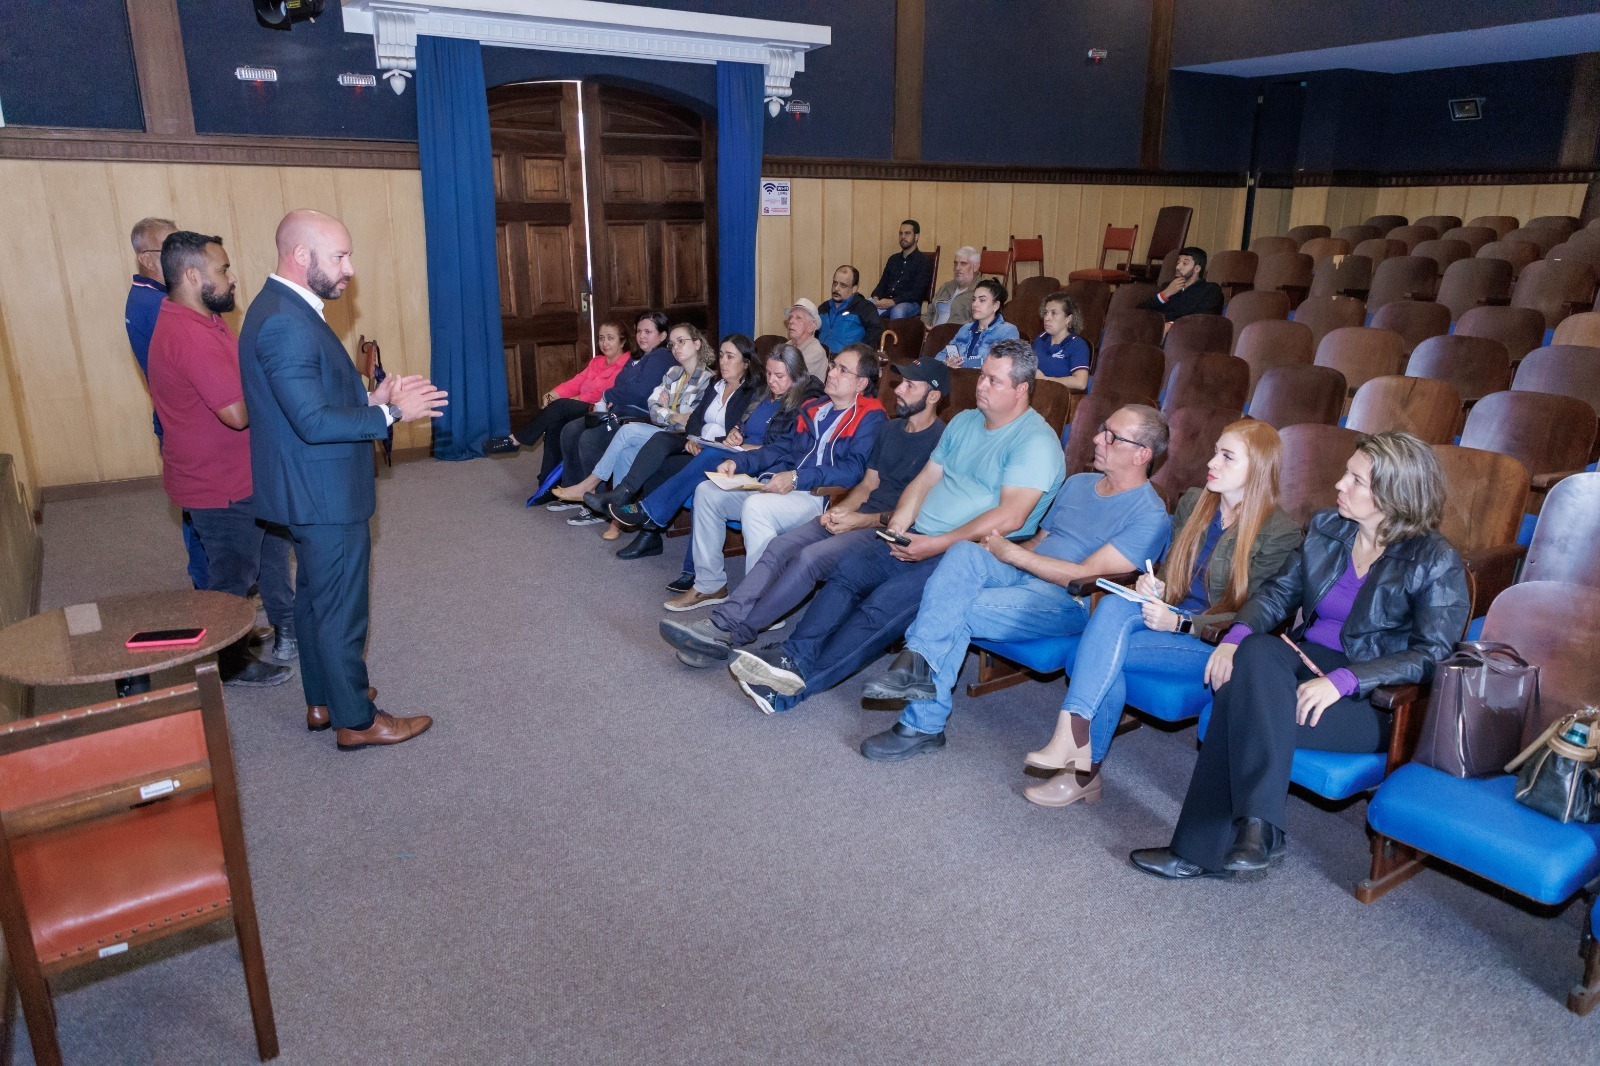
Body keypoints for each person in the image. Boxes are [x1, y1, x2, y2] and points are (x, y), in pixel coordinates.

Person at [1130, 431, 1469, 880]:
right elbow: (1276, 595)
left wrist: (1342, 681)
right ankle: (1259, 826)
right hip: (1300, 665)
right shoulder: (1329, 529)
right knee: (1255, 647)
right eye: (1346, 474)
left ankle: (1206, 847)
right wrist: (1233, 638)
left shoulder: (1435, 559)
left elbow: (1432, 654)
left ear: (1394, 494)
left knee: (1235, 703)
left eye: (1355, 480)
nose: (1339, 486)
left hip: (1372, 695)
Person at [727, 339, 1064, 716]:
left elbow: (1011, 517)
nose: (981, 385)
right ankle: (795, 653)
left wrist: (935, 544)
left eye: (993, 381)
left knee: (880, 608)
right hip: (918, 533)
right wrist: (900, 523)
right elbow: (924, 480)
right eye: (982, 375)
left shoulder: (1034, 441)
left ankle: (796, 687)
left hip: (966, 554)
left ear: (1021, 389)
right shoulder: (967, 422)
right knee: (847, 573)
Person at [239, 208, 448, 749]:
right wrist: (390, 414)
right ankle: (356, 719)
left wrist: (368, 398)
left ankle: (324, 698)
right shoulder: (285, 318)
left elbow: (310, 398)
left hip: (310, 489)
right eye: (340, 256)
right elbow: (310, 421)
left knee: (313, 602)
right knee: (340, 611)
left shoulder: (286, 307)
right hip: (323, 492)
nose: (350, 267)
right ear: (301, 255)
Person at [857, 403, 1172, 760]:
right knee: (963, 552)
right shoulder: (1079, 483)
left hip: (1068, 601)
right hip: (1024, 574)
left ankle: (921, 723)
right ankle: (917, 663)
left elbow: (1085, 576)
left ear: (1142, 454)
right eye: (1103, 428)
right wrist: (994, 554)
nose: (1098, 438)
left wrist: (1012, 554)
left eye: (1112, 437)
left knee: (955, 607)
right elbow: (1042, 540)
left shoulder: (1149, 514)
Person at [1022, 420, 1303, 807]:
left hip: (1213, 644)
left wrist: (1184, 623)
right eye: (1215, 451)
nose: (1212, 462)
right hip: (1161, 619)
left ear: (1256, 468)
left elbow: (1255, 613)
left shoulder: (1279, 531)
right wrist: (1155, 587)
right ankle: (1074, 750)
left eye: (1227, 456)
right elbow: (1172, 574)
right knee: (1118, 604)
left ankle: (1078, 764)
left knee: (1100, 656)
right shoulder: (1194, 502)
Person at [660, 356, 948, 665]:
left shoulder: (941, 441)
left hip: (884, 526)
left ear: (933, 396)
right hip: (854, 510)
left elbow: (915, 508)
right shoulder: (892, 429)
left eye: (909, 385)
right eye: (900, 382)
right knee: (780, 548)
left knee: (809, 558)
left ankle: (732, 631)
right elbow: (867, 484)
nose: (899, 390)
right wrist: (842, 512)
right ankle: (720, 626)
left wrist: (855, 519)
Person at [146, 231, 294, 687]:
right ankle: (227, 664)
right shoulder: (189, 335)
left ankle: (280, 630)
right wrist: (277, 389)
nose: (231, 278)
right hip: (220, 487)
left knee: (271, 556)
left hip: (243, 476)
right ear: (193, 275)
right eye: (223, 269)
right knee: (232, 579)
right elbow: (235, 414)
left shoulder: (204, 320)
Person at [666, 343, 886, 612]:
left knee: (756, 507)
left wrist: (796, 478)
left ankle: (759, 602)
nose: (831, 373)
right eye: (833, 366)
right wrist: (737, 461)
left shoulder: (871, 416)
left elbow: (853, 470)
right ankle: (710, 584)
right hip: (788, 486)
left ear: (861, 382)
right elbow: (782, 448)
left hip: (822, 497)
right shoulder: (816, 407)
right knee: (707, 492)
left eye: (842, 370)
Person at [606, 344, 820, 564]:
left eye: (779, 376)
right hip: (739, 454)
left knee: (707, 458)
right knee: (690, 465)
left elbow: (785, 449)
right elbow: (745, 424)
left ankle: (648, 511)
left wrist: (746, 449)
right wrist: (737, 433)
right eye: (768, 373)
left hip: (761, 465)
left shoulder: (803, 404)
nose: (772, 380)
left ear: (796, 374)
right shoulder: (766, 395)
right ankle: (680, 560)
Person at [582, 334, 761, 523]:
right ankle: (621, 493)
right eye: (721, 355)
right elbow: (695, 417)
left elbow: (737, 431)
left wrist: (705, 443)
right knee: (660, 439)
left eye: (730, 357)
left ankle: (648, 533)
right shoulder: (715, 384)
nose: (723, 361)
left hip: (717, 450)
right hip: (695, 440)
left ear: (746, 363)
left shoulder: (751, 393)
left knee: (661, 464)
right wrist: (693, 438)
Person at [552, 323, 714, 517]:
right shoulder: (673, 373)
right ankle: (616, 514)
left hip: (682, 437)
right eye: (672, 344)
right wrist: (672, 413)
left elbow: (690, 421)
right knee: (625, 451)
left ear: (697, 344)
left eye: (681, 342)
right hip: (663, 431)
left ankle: (589, 485)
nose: (676, 348)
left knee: (627, 431)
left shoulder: (708, 379)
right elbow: (652, 406)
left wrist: (667, 411)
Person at [125, 214, 208, 589]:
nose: (182, 256)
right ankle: (214, 596)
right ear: (146, 258)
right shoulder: (156, 304)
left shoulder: (151, 297)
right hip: (189, 421)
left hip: (177, 416)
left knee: (198, 511)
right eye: (171, 248)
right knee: (205, 512)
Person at [482, 319, 633, 504]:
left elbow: (600, 393)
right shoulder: (597, 362)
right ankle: (546, 485)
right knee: (555, 423)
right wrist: (555, 393)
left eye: (611, 338)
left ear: (622, 341)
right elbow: (577, 381)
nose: (605, 343)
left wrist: (568, 400)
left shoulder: (626, 365)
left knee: (560, 407)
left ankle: (516, 440)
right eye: (601, 338)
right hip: (580, 406)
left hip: (599, 410)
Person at [545, 311, 675, 513]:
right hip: (617, 414)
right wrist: (617, 393)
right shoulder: (636, 358)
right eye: (639, 331)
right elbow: (623, 385)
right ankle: (575, 490)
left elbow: (639, 392)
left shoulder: (661, 357)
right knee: (570, 431)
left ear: (663, 336)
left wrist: (610, 394)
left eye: (648, 332)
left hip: (638, 419)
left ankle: (593, 502)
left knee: (589, 438)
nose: (642, 336)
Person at [942, 278, 1020, 368]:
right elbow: (940, 356)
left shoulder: (1008, 331)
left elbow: (1003, 365)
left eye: (982, 300)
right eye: (974, 299)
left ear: (996, 305)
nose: (975, 304)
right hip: (956, 378)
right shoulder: (965, 329)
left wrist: (961, 363)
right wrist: (946, 363)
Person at [1139, 246, 1225, 323]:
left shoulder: (1210, 290)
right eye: (1178, 262)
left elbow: (1203, 321)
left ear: (1197, 269)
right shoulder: (1168, 287)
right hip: (1157, 333)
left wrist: (1171, 325)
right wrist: (1165, 294)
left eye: (1185, 263)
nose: (1178, 267)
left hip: (1186, 336)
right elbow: (1140, 312)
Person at [871, 219, 934, 320]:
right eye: (900, 233)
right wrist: (875, 297)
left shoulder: (923, 261)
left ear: (916, 236)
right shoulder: (893, 259)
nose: (903, 237)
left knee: (898, 311)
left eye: (907, 233)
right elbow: (882, 284)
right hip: (887, 302)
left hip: (909, 304)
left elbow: (917, 292)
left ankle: (896, 336)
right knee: (865, 307)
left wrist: (893, 301)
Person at [817, 265, 885, 354]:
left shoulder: (865, 308)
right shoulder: (823, 308)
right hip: (820, 361)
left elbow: (875, 333)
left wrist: (858, 355)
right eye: (835, 283)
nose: (836, 288)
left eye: (843, 285)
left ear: (854, 288)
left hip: (847, 363)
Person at [1033, 291, 1091, 390]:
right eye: (1046, 312)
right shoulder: (1041, 339)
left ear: (1068, 319)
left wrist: (1045, 379)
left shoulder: (1078, 345)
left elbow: (1080, 383)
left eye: (1054, 313)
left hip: (1058, 398)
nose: (1047, 318)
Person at [922, 246, 982, 328]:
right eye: (955, 263)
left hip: (956, 337)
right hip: (933, 334)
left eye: (963, 264)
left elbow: (979, 324)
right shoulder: (946, 286)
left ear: (975, 267)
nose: (957, 268)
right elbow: (929, 313)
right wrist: (925, 327)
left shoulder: (981, 291)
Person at [785, 298, 830, 381]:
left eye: (798, 318)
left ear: (811, 326)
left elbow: (792, 379)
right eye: (790, 317)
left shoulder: (816, 352)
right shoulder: (787, 345)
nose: (791, 321)